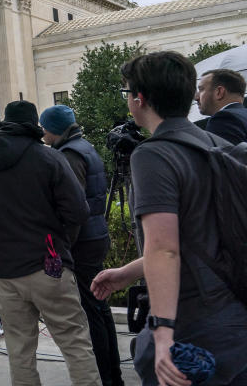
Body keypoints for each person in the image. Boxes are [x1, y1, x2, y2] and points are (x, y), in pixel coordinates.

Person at [93, 51, 247, 385]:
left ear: (139, 99)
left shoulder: (153, 154)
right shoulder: (216, 145)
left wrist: (163, 333)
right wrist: (130, 271)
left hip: (193, 328)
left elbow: (164, 248)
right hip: (234, 320)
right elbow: (197, 234)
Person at [0, 100, 99, 386]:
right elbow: (78, 211)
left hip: (4, 269)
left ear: (4, 123)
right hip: (49, 266)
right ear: (34, 125)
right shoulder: (49, 158)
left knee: (20, 352)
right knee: (75, 345)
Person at [40, 105, 124, 386]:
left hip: (83, 242)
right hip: (95, 236)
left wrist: (63, 248)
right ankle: (114, 376)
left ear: (55, 129)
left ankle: (104, 376)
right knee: (100, 308)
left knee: (91, 314)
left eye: (45, 128)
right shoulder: (83, 147)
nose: (42, 133)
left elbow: (73, 208)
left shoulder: (69, 155)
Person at [196, 67, 247, 144]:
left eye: (201, 89)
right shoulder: (243, 115)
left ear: (219, 92)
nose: (196, 97)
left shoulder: (223, 119)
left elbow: (227, 155)